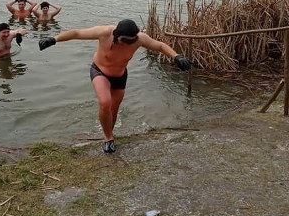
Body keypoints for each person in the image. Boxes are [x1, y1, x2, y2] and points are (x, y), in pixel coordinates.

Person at [38, 18, 192, 154]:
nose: (128, 44)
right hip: (99, 72)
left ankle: (108, 132)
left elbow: (159, 46)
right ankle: (108, 139)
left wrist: (176, 56)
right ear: (117, 35)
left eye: (131, 41)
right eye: (125, 41)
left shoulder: (139, 38)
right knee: (105, 102)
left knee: (114, 108)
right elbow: (77, 33)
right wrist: (54, 39)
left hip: (119, 76)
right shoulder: (105, 33)